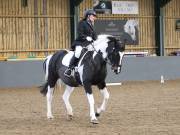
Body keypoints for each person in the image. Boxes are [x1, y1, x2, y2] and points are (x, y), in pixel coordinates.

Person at [65, 9, 97, 77]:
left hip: (89, 44)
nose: (94, 17)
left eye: (95, 16)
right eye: (93, 16)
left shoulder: (92, 24)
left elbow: (94, 35)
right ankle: (69, 69)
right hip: (80, 42)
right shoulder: (82, 23)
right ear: (88, 16)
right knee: (78, 53)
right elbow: (80, 34)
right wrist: (86, 37)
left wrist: (96, 39)